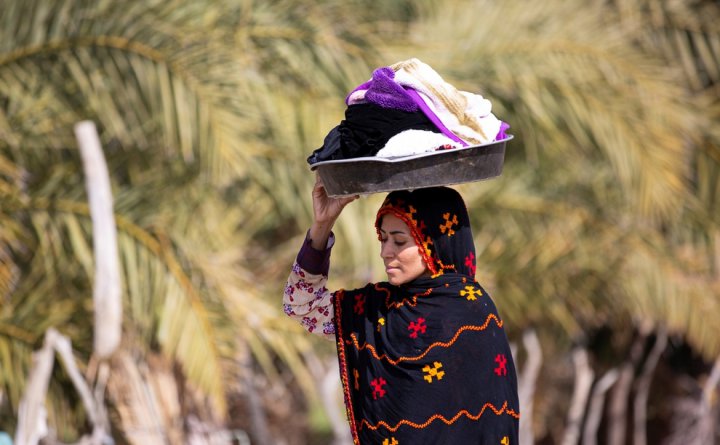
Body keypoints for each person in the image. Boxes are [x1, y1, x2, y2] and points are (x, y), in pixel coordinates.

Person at [284, 176, 520, 444]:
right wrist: (322, 224)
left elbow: (490, 423)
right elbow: (302, 305)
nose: (385, 252)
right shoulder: (375, 309)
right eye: (383, 239)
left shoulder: (473, 313)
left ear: (433, 241)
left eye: (399, 241)